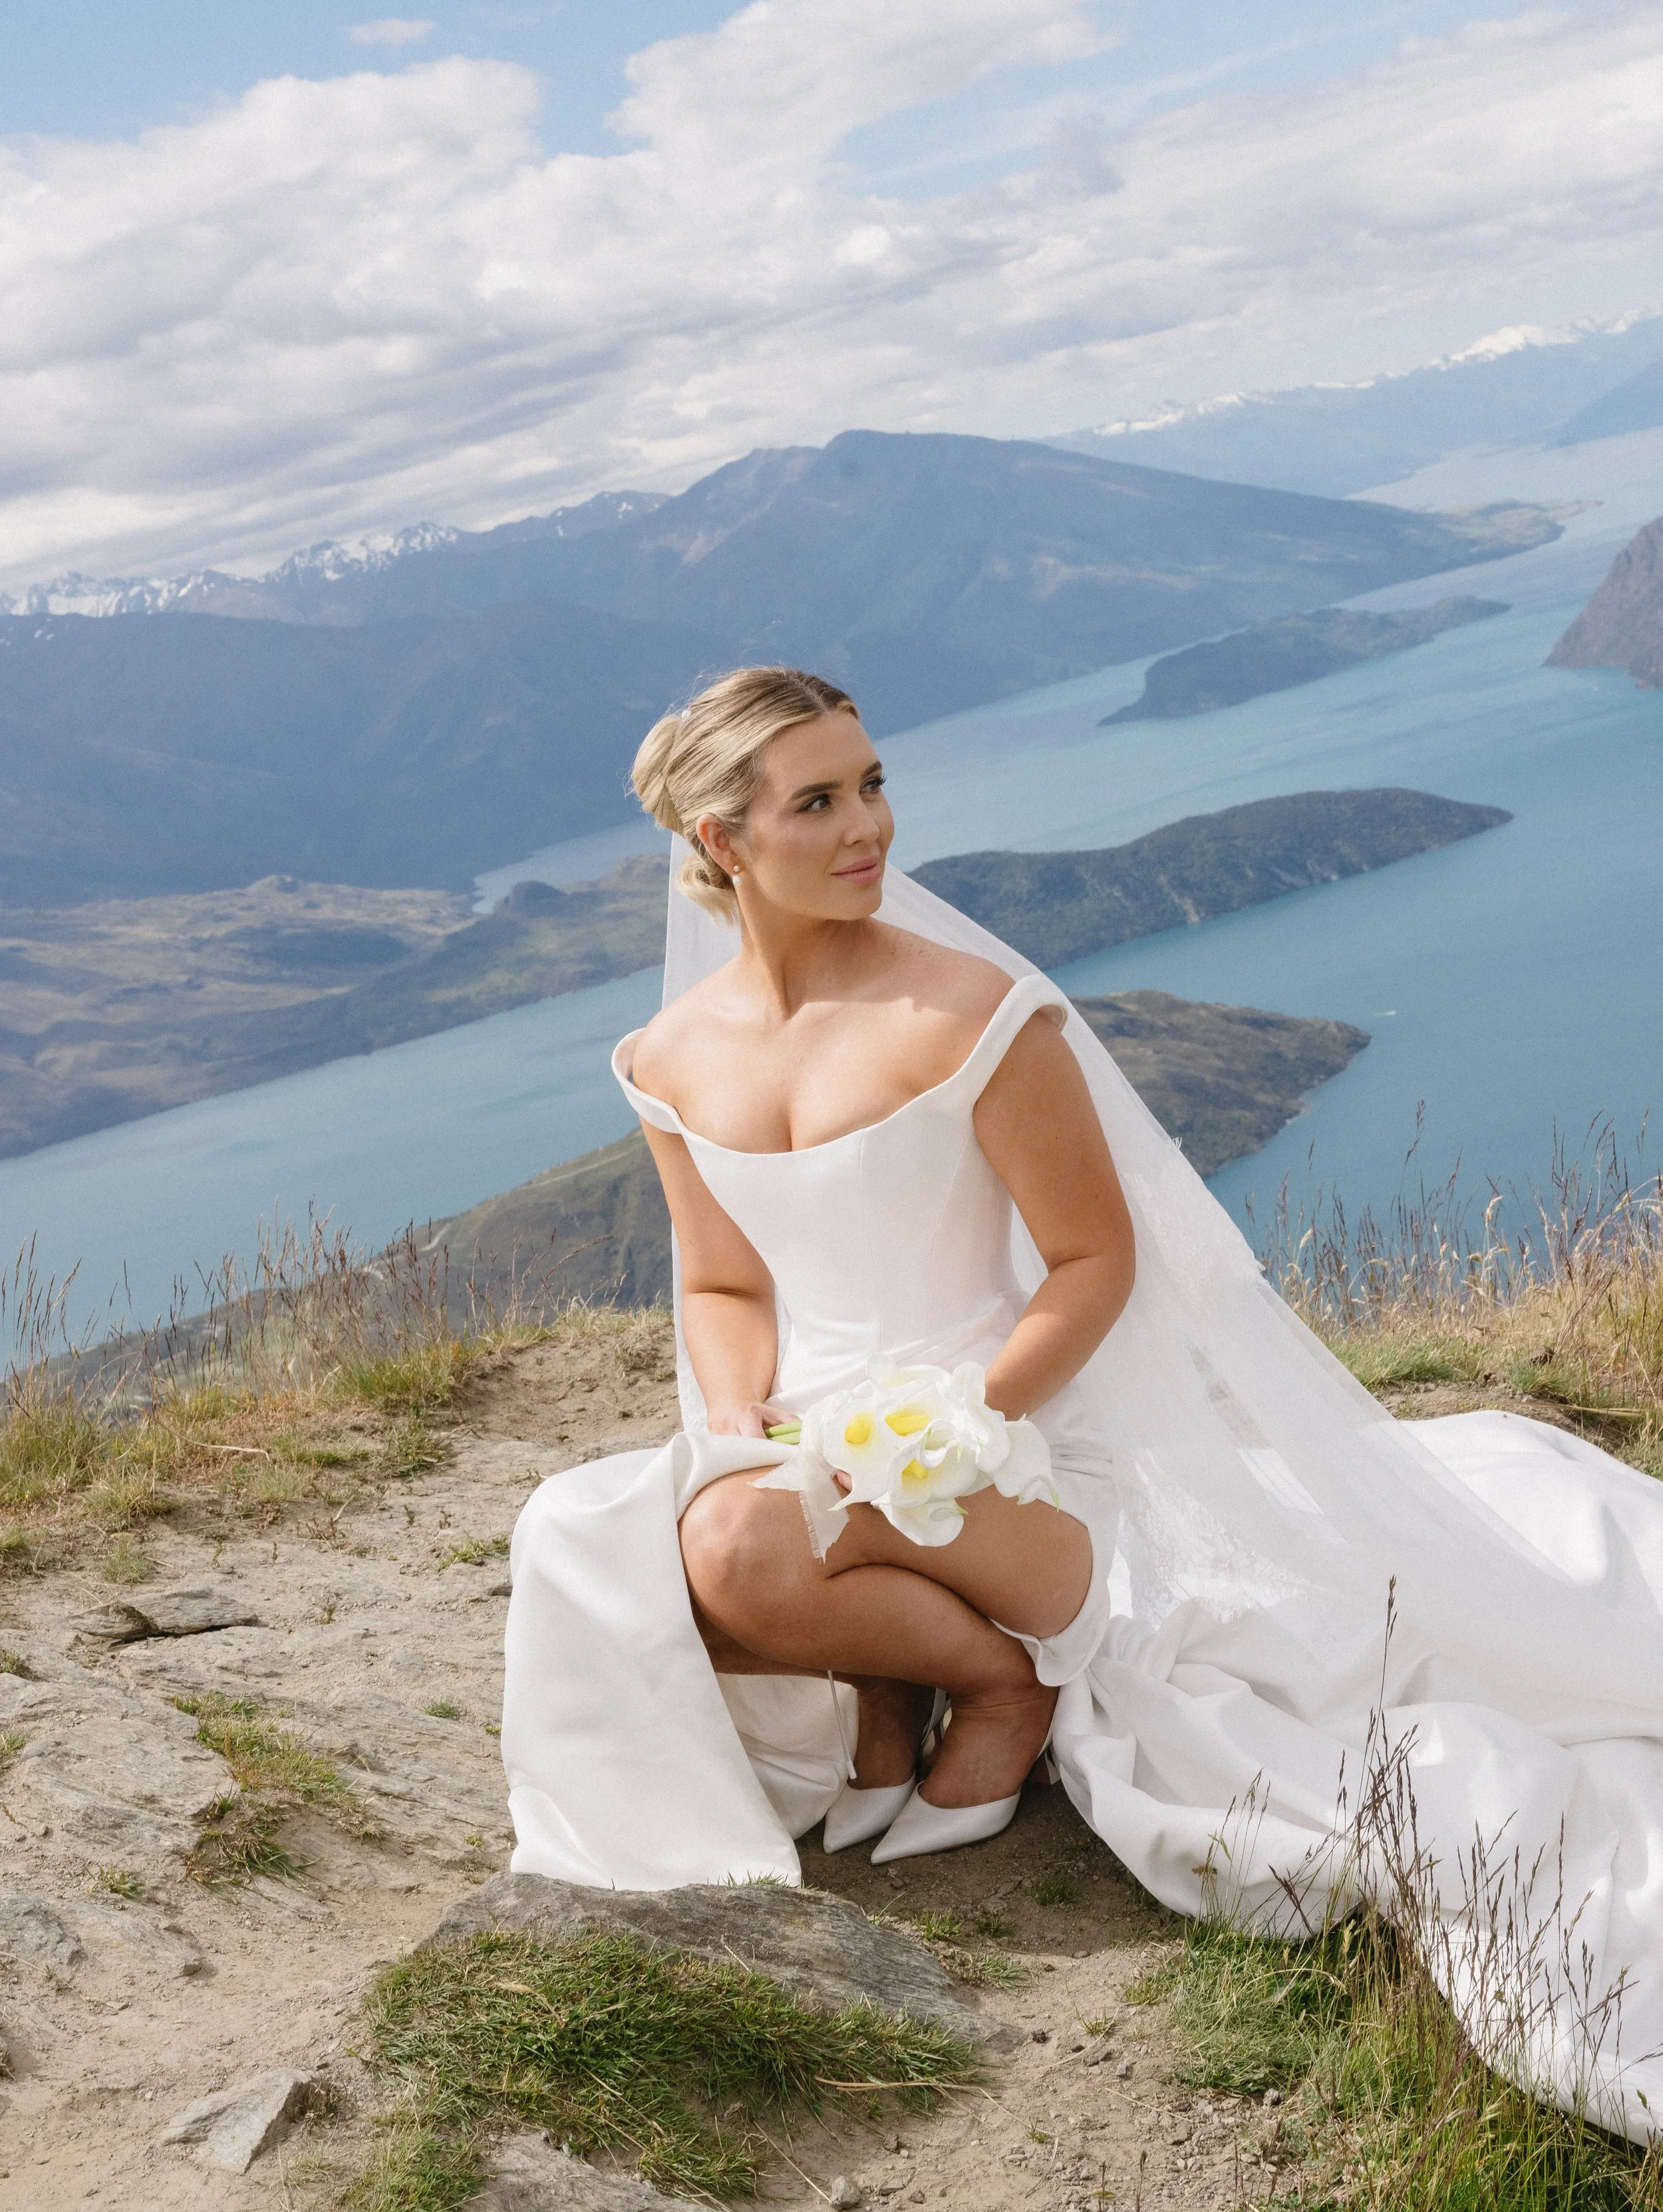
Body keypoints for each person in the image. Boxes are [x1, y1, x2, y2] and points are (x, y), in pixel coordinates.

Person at [504, 666, 1663, 2138]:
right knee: (625, 1539)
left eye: (870, 782)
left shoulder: (973, 1013)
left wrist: (950, 1425)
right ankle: (909, 1668)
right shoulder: (662, 1062)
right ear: (723, 843)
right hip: (803, 1434)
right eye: (819, 800)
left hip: (1025, 1442)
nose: (869, 824)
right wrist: (741, 1426)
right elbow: (724, 1285)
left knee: (730, 1560)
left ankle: (991, 1680)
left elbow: (1088, 1259)